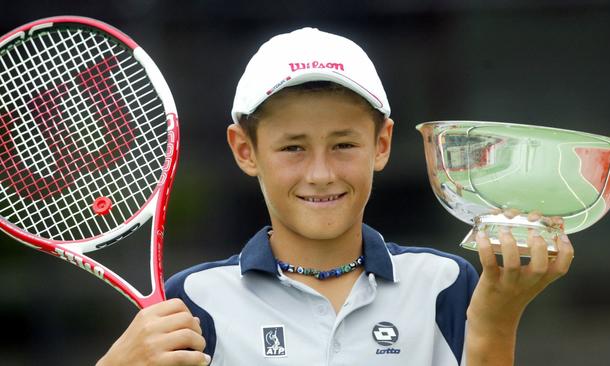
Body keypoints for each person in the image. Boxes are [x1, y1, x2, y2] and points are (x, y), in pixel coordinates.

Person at [97, 27, 573, 366]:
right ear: (245, 150)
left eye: (344, 144)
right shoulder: (193, 301)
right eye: (293, 148)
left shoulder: (445, 283)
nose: (321, 173)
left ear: (382, 144)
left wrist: (498, 320)